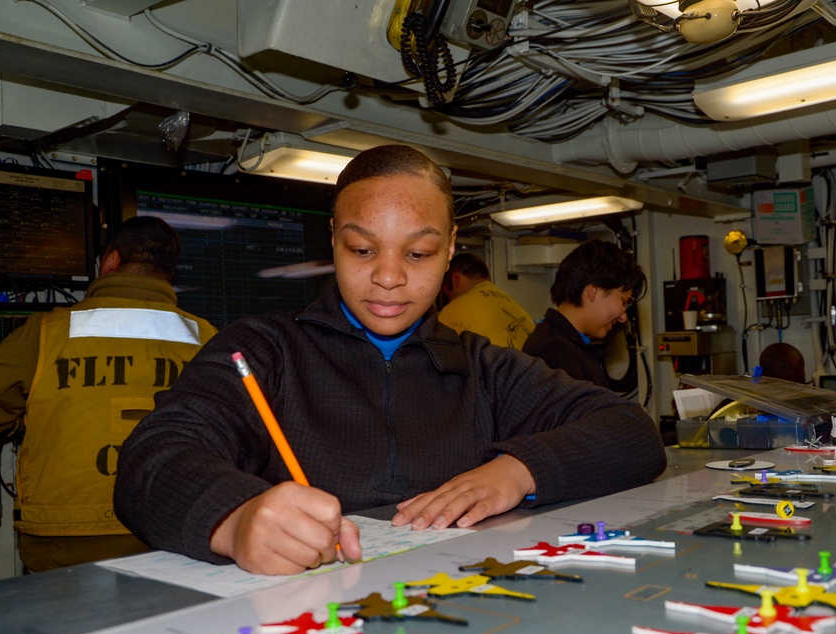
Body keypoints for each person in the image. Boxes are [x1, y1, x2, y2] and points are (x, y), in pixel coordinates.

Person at [113, 145, 666, 576]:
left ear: (451, 249)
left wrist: (518, 470)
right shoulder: (262, 350)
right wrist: (232, 518)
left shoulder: (485, 369)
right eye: (362, 249)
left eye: (419, 253)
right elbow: (154, 456)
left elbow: (631, 430)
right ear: (332, 240)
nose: (389, 276)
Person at [0, 216, 218, 572]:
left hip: (67, 537)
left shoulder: (49, 331)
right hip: (169, 529)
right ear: (168, 272)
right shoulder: (207, 337)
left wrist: (28, 415)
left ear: (111, 261)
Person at [522, 239, 645, 389]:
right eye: (623, 302)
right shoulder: (555, 354)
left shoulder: (569, 346)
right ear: (594, 291)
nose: (623, 317)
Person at [438, 252, 535, 348]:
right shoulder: (513, 303)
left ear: (455, 278)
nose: (448, 295)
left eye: (445, 289)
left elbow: (441, 354)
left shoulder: (453, 310)